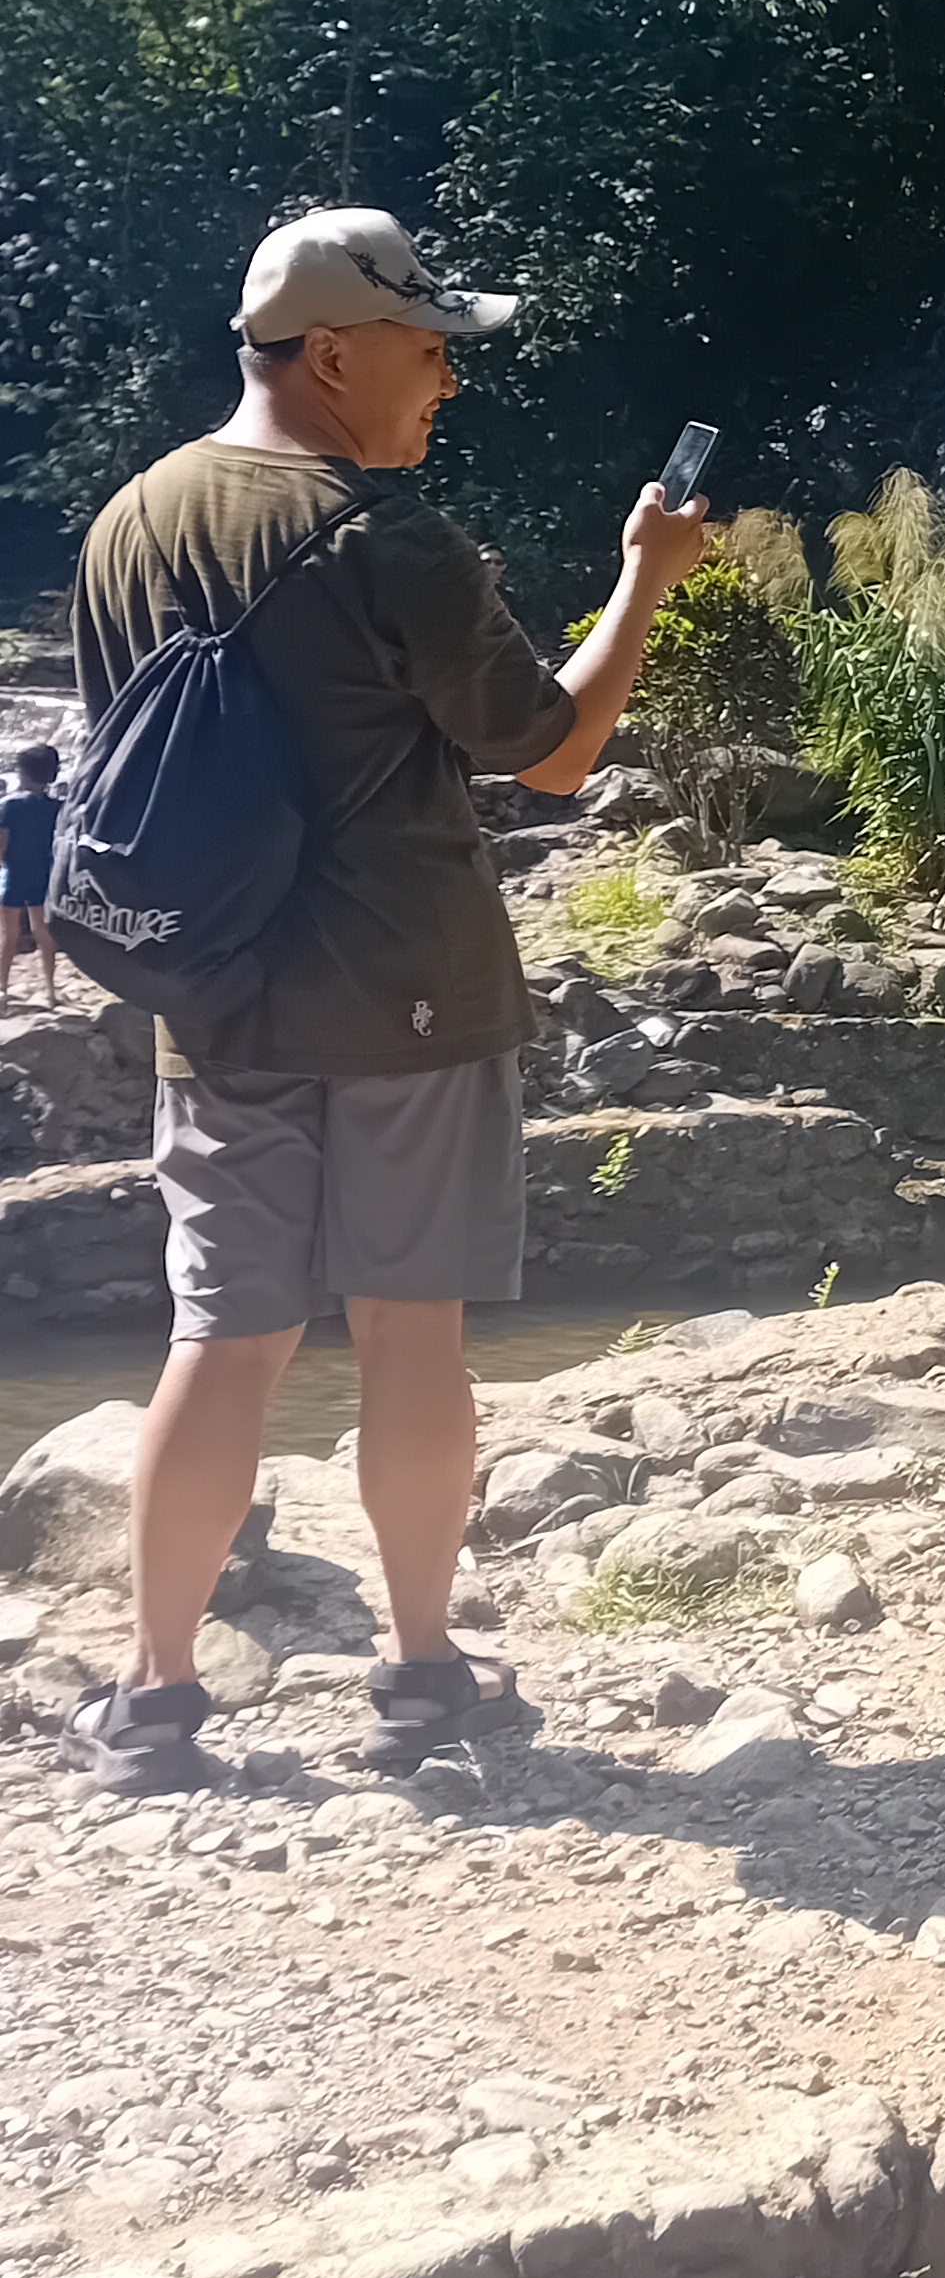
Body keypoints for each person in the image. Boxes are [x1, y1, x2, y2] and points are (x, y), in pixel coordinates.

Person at [63, 206, 709, 1796]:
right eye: (429, 349)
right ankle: (421, 1676)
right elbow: (553, 752)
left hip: (210, 994)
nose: (447, 382)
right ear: (336, 354)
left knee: (223, 1338)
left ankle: (155, 1698)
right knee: (410, 1336)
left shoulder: (127, 523)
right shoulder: (388, 540)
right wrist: (645, 579)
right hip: (411, 992)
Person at [0, 742, 62, 1002]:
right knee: (43, 932)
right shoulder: (57, 807)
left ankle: (2, 988)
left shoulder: (9, 806)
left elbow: (2, 846)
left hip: (14, 874)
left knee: (9, 934)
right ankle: (50, 990)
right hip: (44, 874)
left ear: (22, 773)